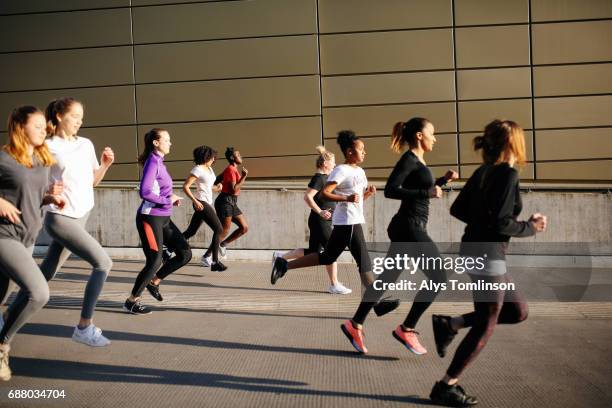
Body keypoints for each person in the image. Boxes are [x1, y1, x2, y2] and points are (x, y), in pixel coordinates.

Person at [429, 119, 547, 406]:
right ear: (513, 143)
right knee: (487, 323)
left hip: (478, 248)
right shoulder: (506, 174)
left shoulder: (484, 171)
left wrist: (486, 222)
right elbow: (501, 222)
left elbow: (458, 209)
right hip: (487, 253)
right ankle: (447, 385)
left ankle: (451, 323)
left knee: (517, 310)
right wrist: (531, 227)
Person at [271, 131, 398, 350]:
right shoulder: (341, 169)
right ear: (350, 151)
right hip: (347, 223)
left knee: (328, 256)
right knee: (363, 261)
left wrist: (366, 195)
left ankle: (285, 265)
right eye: (361, 149)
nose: (364, 152)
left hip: (353, 219)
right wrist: (346, 198)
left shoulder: (360, 171)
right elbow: (324, 194)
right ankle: (377, 303)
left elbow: (356, 199)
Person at [347, 118, 458, 355]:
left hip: (408, 226)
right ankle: (406, 328)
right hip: (410, 227)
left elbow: (416, 191)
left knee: (387, 277)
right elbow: (391, 189)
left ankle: (354, 323)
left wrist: (441, 181)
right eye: (432, 133)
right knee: (439, 277)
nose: (435, 138)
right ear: (419, 135)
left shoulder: (417, 161)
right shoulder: (409, 159)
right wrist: (426, 191)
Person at [33, 97, 114, 347]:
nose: (80, 121)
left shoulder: (85, 143)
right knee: (103, 263)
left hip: (82, 214)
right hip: (60, 218)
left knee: (47, 271)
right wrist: (47, 191)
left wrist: (105, 165)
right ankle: (84, 327)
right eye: (75, 116)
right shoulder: (46, 146)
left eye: (82, 117)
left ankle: (6, 318)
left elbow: (92, 181)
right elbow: (30, 185)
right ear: (59, 116)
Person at [0, 106, 65, 379]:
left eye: (44, 126)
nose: (44, 129)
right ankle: (2, 345)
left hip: (27, 237)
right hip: (4, 236)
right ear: (19, 126)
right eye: (37, 125)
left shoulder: (41, 159)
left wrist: (49, 197)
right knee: (39, 293)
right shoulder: (3, 158)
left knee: (1, 298)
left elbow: (29, 196)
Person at [124, 128, 192, 314]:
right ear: (156, 142)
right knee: (154, 261)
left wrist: (171, 197)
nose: (170, 143)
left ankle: (154, 282)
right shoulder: (152, 162)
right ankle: (132, 301)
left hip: (164, 218)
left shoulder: (160, 162)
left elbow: (159, 189)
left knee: (185, 254)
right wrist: (166, 200)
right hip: (150, 218)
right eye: (167, 140)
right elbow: (145, 192)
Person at [272, 146, 351, 295]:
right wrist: (321, 212)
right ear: (325, 164)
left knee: (313, 252)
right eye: (333, 163)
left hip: (320, 221)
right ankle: (334, 284)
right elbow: (307, 197)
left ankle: (280, 257)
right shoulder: (319, 178)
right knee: (332, 250)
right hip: (320, 221)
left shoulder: (326, 178)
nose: (335, 165)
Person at [180, 145, 226, 272]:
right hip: (200, 203)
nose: (214, 158)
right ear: (206, 156)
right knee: (219, 229)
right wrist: (194, 201)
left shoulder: (210, 169)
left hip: (206, 202)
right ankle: (215, 262)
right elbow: (186, 186)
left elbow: (208, 186)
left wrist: (217, 188)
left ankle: (168, 249)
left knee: (191, 232)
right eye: (212, 156)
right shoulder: (198, 169)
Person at [214, 147, 249, 258]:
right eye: (238, 154)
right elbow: (234, 189)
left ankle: (223, 244)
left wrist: (218, 184)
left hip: (232, 202)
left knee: (244, 227)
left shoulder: (231, 169)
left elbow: (216, 179)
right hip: (225, 201)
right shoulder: (230, 169)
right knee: (224, 230)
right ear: (232, 157)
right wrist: (244, 176)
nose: (241, 156)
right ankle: (207, 256)